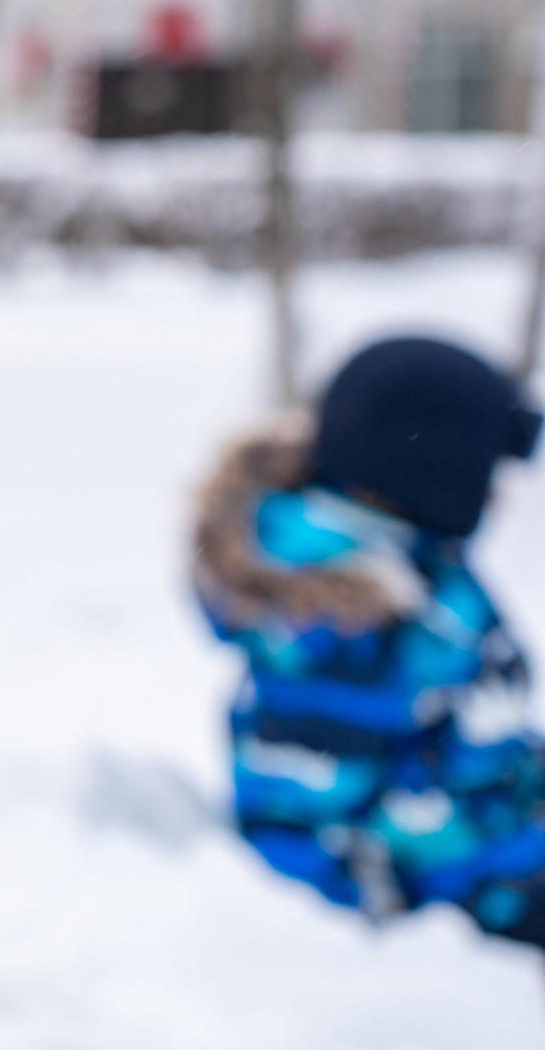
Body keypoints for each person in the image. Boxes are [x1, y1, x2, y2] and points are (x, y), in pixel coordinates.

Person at [193, 335, 545, 945]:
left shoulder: (407, 568)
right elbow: (323, 823)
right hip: (461, 901)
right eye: (485, 471)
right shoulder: (339, 621)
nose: (496, 495)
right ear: (426, 469)